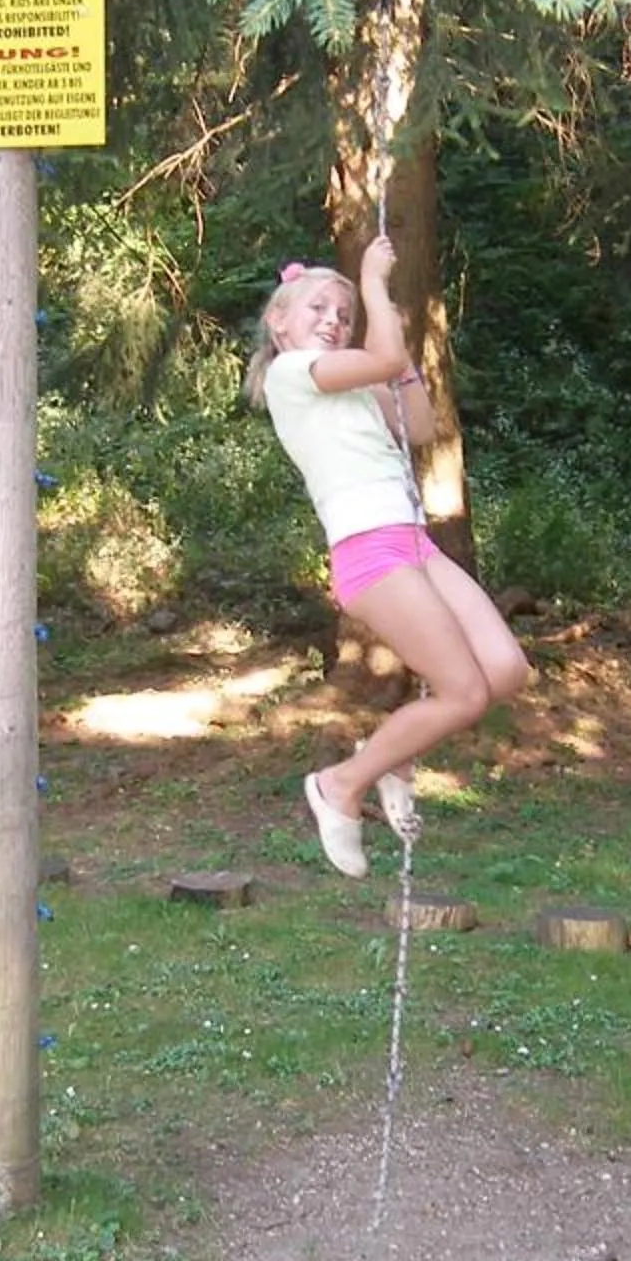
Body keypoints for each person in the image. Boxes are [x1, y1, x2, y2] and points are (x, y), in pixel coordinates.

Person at [247, 233, 528, 876]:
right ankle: (339, 785)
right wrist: (372, 286)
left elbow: (421, 426)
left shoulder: (351, 383)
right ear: (279, 321)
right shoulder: (294, 375)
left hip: (411, 540)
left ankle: (392, 756)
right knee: (461, 693)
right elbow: (380, 360)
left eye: (342, 315)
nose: (333, 321)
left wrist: (393, 342)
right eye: (318, 308)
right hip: (369, 550)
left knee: (504, 670)